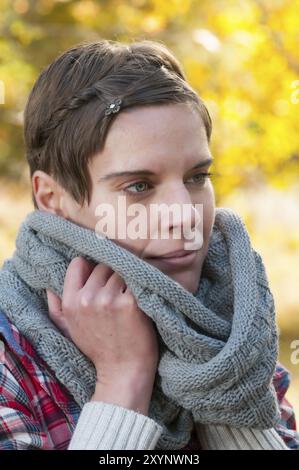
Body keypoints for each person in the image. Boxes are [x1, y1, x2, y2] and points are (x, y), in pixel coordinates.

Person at [0, 38, 298, 450]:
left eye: (197, 177)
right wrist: (123, 379)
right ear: (52, 200)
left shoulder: (233, 334)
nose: (185, 215)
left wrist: (222, 395)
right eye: (139, 185)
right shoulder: (10, 364)